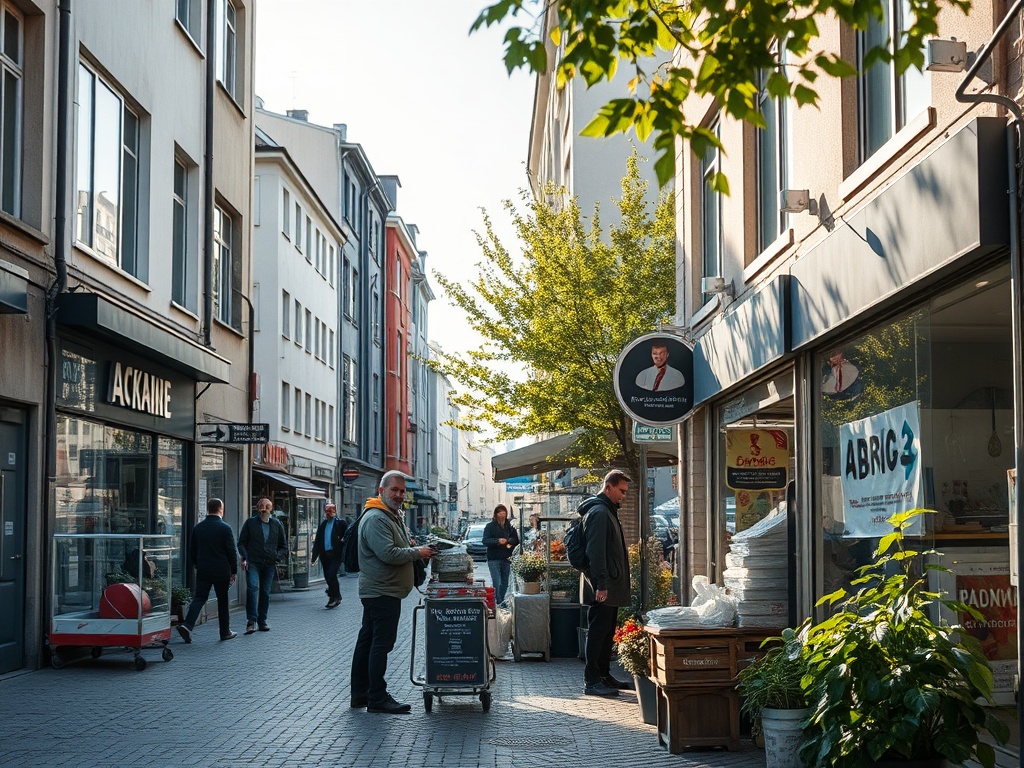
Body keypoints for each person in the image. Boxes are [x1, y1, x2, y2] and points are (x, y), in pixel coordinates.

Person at [350, 471, 434, 714]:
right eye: (394, 490)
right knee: (381, 645)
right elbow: (388, 553)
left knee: (367, 642)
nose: (398, 495)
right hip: (381, 592)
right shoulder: (377, 518)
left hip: (382, 590)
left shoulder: (390, 515)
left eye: (401, 491)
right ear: (381, 490)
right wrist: (419, 552)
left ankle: (360, 694)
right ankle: (376, 697)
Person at [581, 470, 633, 697]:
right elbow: (596, 552)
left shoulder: (607, 511)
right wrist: (602, 585)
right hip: (603, 585)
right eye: (621, 491)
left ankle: (603, 675)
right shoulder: (600, 512)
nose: (623, 496)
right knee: (598, 631)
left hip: (609, 583)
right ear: (609, 486)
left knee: (606, 631)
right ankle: (592, 680)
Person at [177, 497, 238, 643]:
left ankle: (187, 625)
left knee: (199, 597)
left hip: (204, 569)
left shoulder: (198, 528)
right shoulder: (225, 528)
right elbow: (231, 552)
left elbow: (193, 551)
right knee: (223, 601)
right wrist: (234, 571)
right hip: (222, 570)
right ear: (220, 510)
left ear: (208, 510)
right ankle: (225, 632)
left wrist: (198, 565)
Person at [237, 497, 287, 635]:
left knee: (265, 591)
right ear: (257, 508)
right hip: (253, 561)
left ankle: (262, 620)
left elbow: (284, 546)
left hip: (269, 563)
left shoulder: (277, 524)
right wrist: (245, 557)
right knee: (253, 588)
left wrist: (277, 556)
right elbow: (241, 543)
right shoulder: (251, 523)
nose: (263, 508)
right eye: (261, 506)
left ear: (271, 509)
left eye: (266, 506)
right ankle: (251, 621)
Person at [311, 503, 347, 609]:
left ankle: (335, 596)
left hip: (336, 554)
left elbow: (348, 536)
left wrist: (342, 542)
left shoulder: (340, 523)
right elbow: (318, 541)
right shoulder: (323, 525)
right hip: (325, 555)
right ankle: (334, 596)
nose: (328, 513)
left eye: (330, 511)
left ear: (335, 511)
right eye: (327, 511)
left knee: (331, 574)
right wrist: (314, 558)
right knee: (328, 577)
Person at [482, 504, 519, 603]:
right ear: (495, 514)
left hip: (506, 557)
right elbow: (485, 540)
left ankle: (501, 600)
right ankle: (497, 601)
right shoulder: (490, 526)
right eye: (500, 513)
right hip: (494, 558)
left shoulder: (510, 526)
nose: (502, 515)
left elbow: (516, 539)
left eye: (504, 513)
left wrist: (508, 541)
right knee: (497, 581)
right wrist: (497, 541)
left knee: (505, 582)